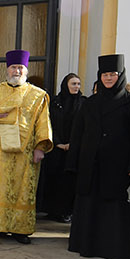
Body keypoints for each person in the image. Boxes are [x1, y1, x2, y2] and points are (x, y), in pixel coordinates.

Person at [66, 54, 130, 259]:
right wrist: (73, 162)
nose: (109, 78)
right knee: (89, 204)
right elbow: (78, 134)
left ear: (120, 75)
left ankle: (113, 248)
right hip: (90, 165)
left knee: (113, 207)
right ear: (99, 76)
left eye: (113, 74)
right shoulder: (90, 102)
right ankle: (87, 245)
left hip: (117, 166)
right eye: (105, 74)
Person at [0, 50, 53, 244]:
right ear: (7, 69)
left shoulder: (38, 95)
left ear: (26, 70)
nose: (17, 71)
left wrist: (40, 148)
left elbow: (43, 122)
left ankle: (19, 230)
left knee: (21, 189)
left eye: (20, 67)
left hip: (24, 151)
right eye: (13, 67)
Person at [37, 74, 82, 222]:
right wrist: (57, 142)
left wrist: (72, 143)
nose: (76, 87)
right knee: (53, 179)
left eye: (78, 84)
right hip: (55, 149)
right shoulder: (55, 102)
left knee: (68, 182)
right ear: (66, 84)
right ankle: (51, 209)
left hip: (73, 149)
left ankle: (66, 211)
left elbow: (83, 127)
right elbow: (48, 123)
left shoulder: (84, 103)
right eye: (73, 84)